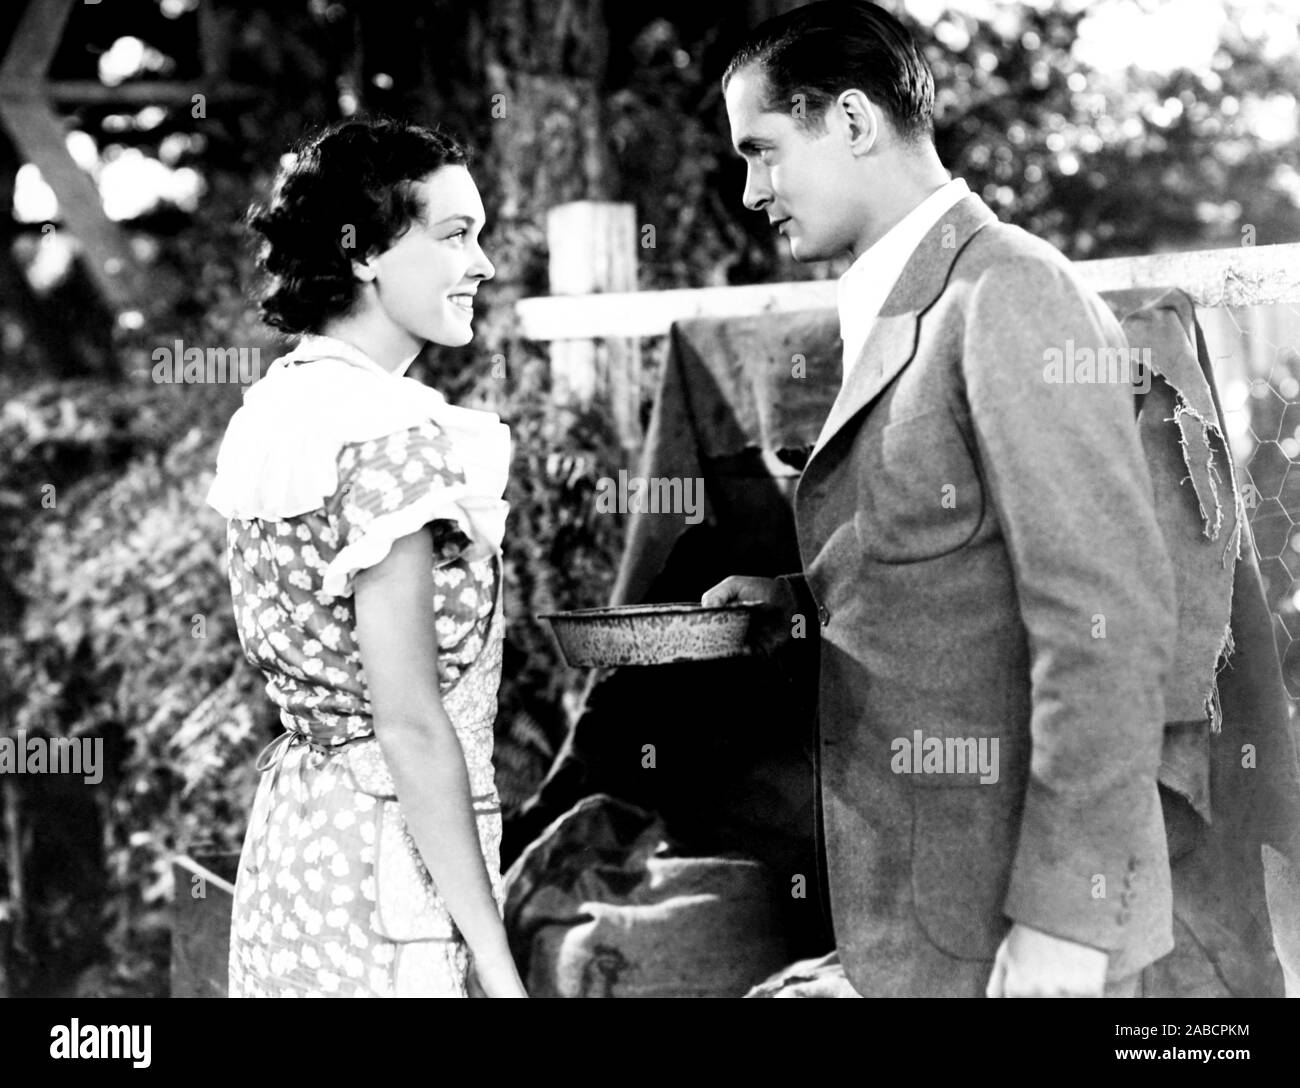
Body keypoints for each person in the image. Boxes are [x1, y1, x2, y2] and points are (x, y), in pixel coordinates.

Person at [703, 1, 1179, 997]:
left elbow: (1108, 623)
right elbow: (947, 567)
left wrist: (1065, 925)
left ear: (851, 121)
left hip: (1016, 937)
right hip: (918, 923)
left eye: (763, 151)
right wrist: (793, 595)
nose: (751, 192)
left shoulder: (1007, 293)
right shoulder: (898, 301)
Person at [206, 117, 527, 997]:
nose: (483, 264)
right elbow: (412, 727)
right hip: (397, 882)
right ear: (364, 256)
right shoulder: (387, 433)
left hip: (299, 861)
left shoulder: (279, 411)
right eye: (456, 235)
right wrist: (501, 971)